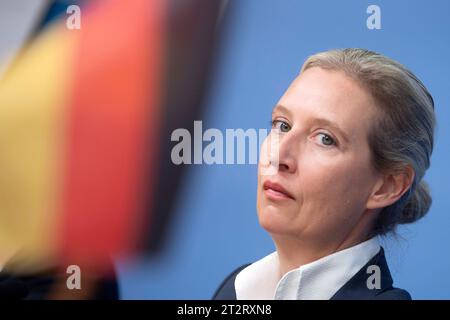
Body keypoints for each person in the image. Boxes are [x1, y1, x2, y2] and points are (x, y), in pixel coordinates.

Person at [213, 48, 436, 300]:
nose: (279, 156)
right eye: (282, 125)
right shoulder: (236, 289)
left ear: (387, 186)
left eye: (325, 139)